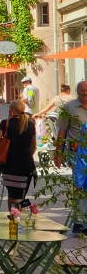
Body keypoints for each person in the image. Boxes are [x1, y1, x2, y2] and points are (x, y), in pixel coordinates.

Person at [0, 99, 36, 210]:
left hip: (10, 165)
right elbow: (33, 146)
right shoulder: (30, 124)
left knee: (13, 196)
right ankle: (22, 214)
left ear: (13, 110)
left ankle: (14, 217)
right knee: (21, 195)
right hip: (27, 165)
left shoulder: (6, 123)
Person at [55, 81, 87, 234]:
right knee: (79, 186)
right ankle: (79, 221)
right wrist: (58, 154)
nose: (85, 93)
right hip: (76, 154)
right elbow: (61, 132)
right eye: (82, 90)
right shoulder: (69, 107)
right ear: (77, 91)